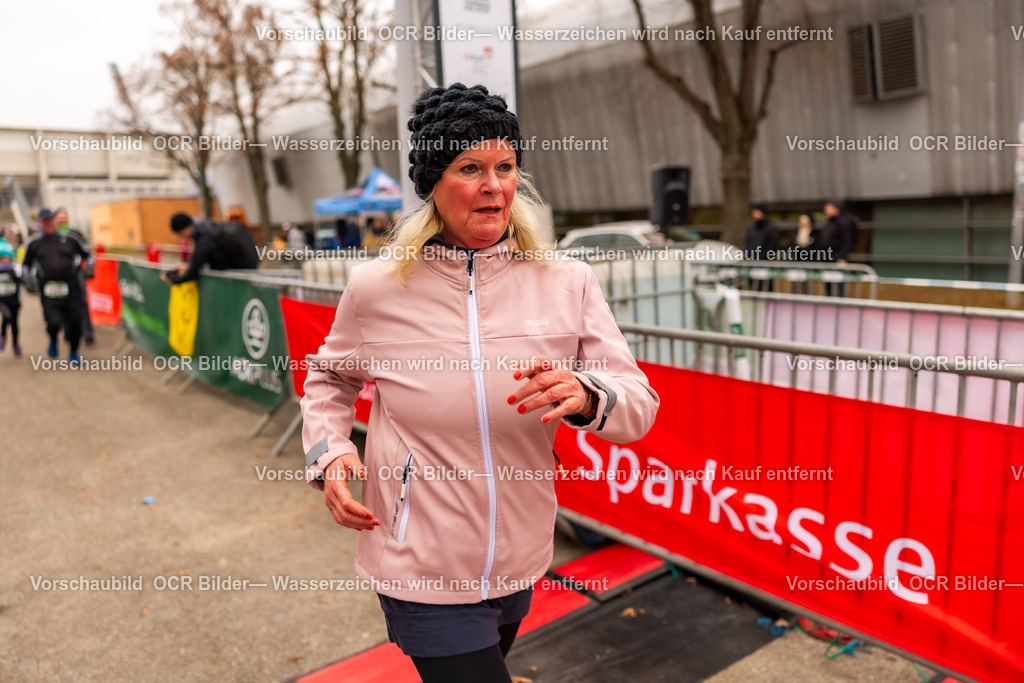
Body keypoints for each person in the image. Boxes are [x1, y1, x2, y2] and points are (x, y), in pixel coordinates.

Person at [300, 83, 660, 683]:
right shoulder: (377, 288)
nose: (494, 184)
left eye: (506, 166)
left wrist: (587, 394)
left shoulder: (565, 281)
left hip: (519, 557)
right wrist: (332, 455)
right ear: (434, 183)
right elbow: (329, 378)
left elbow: (638, 404)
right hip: (418, 561)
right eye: (471, 167)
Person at [22, 208, 90, 363]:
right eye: (44, 222)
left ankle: (73, 352)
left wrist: (89, 268)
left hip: (71, 287)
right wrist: (27, 280)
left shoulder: (71, 239)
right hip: (48, 289)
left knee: (75, 322)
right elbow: (26, 265)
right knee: (53, 322)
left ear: (54, 221)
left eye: (50, 221)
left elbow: (88, 255)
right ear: (40, 223)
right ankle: (53, 339)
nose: (48, 224)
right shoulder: (34, 243)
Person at [160, 213, 259, 285]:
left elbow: (193, 273)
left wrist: (173, 280)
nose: (182, 238)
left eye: (181, 234)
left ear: (186, 228)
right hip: (244, 275)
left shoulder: (204, 239)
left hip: (234, 282)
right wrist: (188, 266)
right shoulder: (210, 228)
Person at [54, 208, 95, 345]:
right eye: (59, 217)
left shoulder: (75, 234)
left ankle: (87, 332)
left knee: (82, 302)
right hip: (60, 276)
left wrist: (89, 267)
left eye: (64, 216)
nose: (62, 219)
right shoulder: (51, 236)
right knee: (64, 304)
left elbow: (88, 254)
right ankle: (68, 332)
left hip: (77, 274)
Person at [820, 200, 859, 296]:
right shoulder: (828, 222)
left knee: (840, 282)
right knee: (828, 282)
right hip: (827, 257)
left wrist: (843, 256)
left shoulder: (845, 222)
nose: (826, 210)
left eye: (829, 208)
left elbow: (848, 241)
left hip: (838, 257)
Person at [744, 204, 778, 292]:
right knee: (756, 285)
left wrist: (763, 256)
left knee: (767, 284)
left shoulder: (770, 228)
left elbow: (772, 245)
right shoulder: (752, 228)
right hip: (753, 260)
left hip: (765, 260)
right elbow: (748, 243)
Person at [0, 241, 22, 357]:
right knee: (6, 316)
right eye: (2, 258)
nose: (4, 260)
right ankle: (2, 336)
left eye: (6, 258)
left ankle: (15, 344)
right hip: (2, 301)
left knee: (14, 323)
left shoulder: (16, 270)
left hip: (14, 301)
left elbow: (21, 284)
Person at [792, 214, 820, 295]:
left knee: (808, 283)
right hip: (797, 261)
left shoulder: (814, 234)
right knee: (797, 282)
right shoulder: (795, 233)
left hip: (809, 261)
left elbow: (816, 247)